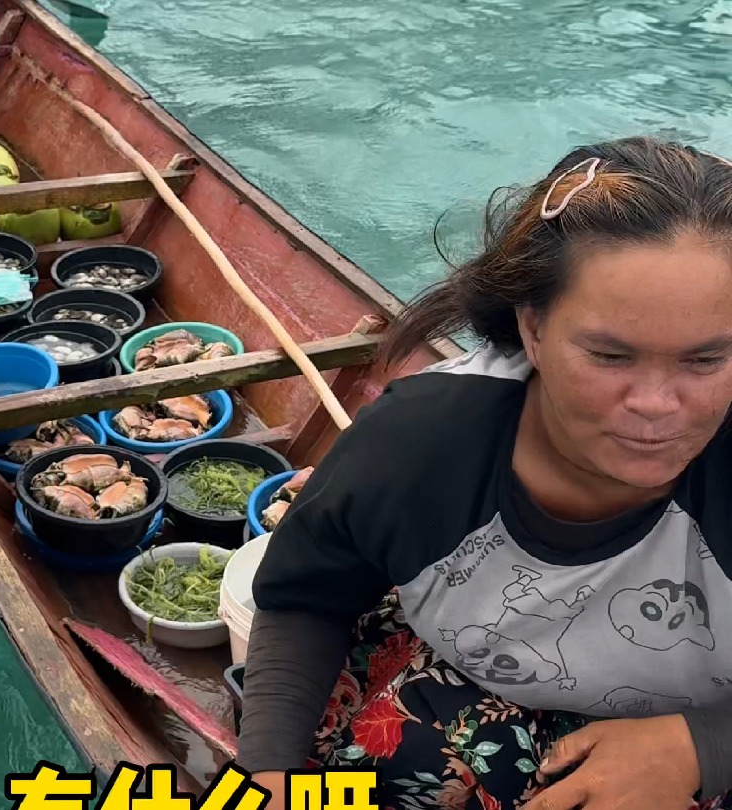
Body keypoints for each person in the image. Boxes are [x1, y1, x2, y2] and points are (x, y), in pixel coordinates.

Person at [236, 136, 732, 810]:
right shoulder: (419, 445)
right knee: (396, 761)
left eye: (705, 360)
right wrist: (266, 777)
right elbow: (307, 597)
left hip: (707, 715)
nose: (655, 404)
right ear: (534, 329)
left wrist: (701, 747)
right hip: (483, 679)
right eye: (610, 356)